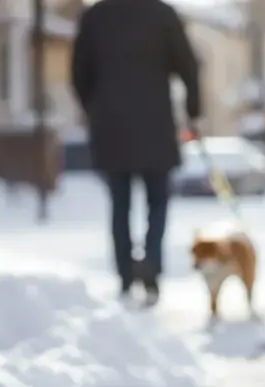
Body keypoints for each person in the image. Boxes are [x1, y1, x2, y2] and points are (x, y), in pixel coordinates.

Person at [71, 0, 201, 306]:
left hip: (111, 128)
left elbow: (78, 73)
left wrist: (95, 109)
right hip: (155, 124)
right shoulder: (162, 14)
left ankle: (126, 275)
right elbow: (188, 65)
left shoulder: (96, 17)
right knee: (158, 202)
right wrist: (193, 112)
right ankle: (151, 266)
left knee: (120, 205)